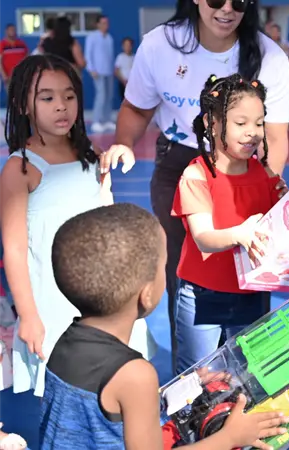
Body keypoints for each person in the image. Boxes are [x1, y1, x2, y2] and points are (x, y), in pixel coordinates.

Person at [101, 0, 289, 373]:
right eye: (216, 0)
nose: (226, 9)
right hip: (180, 162)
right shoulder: (160, 45)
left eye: (238, 2)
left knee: (246, 260)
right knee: (187, 268)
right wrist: (124, 142)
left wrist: (265, 187)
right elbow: (137, 107)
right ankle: (195, 379)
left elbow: (275, 136)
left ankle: (245, 376)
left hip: (244, 167)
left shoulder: (268, 57)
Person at [39, 203, 289, 449]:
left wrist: (174, 391)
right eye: (162, 267)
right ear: (146, 295)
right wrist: (230, 438)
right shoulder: (135, 375)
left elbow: (100, 412)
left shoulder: (64, 342)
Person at [0, 54, 154, 398]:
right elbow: (13, 249)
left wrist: (110, 170)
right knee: (63, 391)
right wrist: (27, 315)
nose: (61, 106)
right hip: (52, 304)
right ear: (23, 105)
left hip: (100, 294)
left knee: (109, 383)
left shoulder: (89, 154)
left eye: (69, 96)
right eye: (47, 97)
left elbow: (107, 220)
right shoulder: (20, 169)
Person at [172, 74, 286, 374]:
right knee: (199, 379)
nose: (253, 132)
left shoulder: (265, 175)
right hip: (202, 295)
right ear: (212, 122)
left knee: (246, 376)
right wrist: (241, 234)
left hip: (253, 293)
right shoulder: (196, 175)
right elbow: (203, 237)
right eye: (241, 123)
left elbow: (280, 230)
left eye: (259, 123)